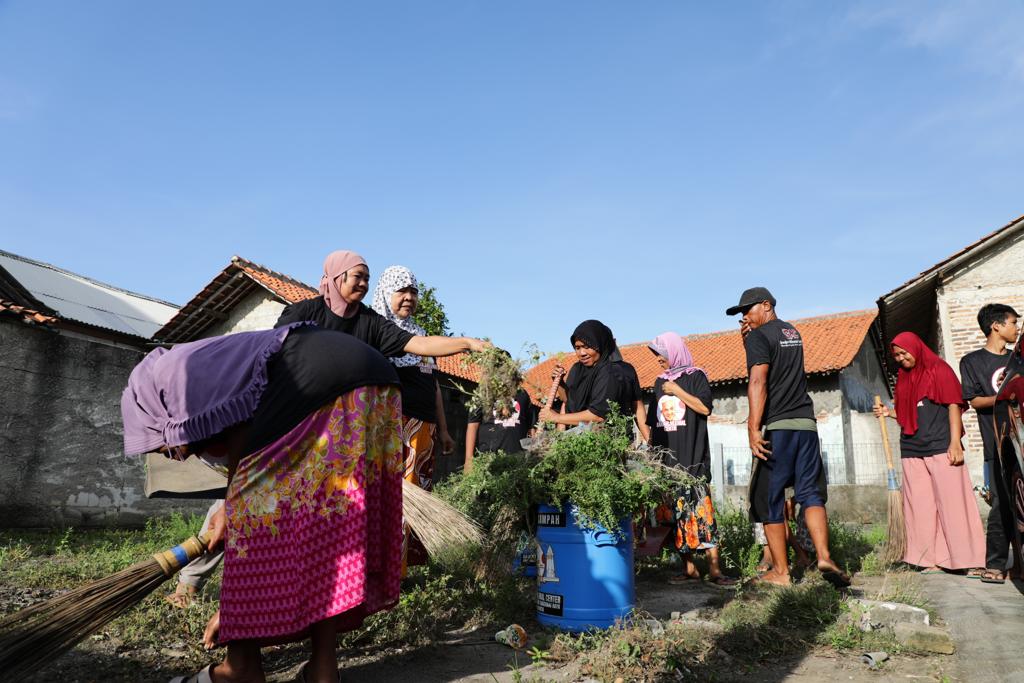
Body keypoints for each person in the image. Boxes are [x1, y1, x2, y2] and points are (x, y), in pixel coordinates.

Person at [123, 324, 403, 683]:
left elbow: (245, 458)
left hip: (320, 382)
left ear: (157, 412)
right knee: (327, 534)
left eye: (157, 444)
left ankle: (239, 669)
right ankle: (323, 670)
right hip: (376, 381)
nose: (168, 454)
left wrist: (237, 609)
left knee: (253, 522)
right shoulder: (200, 367)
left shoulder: (186, 382)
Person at [728, 287, 850, 587]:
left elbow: (759, 381)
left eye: (748, 310)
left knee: (768, 497)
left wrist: (753, 428)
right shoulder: (791, 332)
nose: (744, 316)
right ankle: (824, 556)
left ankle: (781, 572)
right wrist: (749, 341)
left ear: (766, 305)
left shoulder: (759, 336)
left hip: (779, 427)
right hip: (806, 425)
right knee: (810, 493)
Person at [874, 331, 986, 574]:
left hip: (941, 445)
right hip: (912, 449)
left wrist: (955, 442)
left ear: (916, 347)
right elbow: (908, 412)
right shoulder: (904, 377)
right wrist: (888, 412)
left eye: (904, 353)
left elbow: (954, 405)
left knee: (953, 504)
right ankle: (928, 559)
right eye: (897, 355)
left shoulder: (939, 370)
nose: (902, 358)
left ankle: (964, 559)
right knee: (920, 507)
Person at [275, 250, 489, 363]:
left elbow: (420, 345)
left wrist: (467, 343)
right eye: (358, 277)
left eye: (367, 279)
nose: (363, 284)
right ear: (336, 278)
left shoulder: (371, 321)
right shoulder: (304, 312)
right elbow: (275, 349)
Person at [646, 332, 735, 587]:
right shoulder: (658, 382)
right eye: (656, 355)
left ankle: (716, 571)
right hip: (667, 463)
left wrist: (676, 390)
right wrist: (653, 456)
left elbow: (705, 408)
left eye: (661, 353)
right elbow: (655, 423)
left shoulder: (696, 376)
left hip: (692, 459)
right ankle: (690, 569)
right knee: (674, 517)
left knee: (701, 514)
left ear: (673, 351)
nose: (659, 360)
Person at [370, 265, 456, 491]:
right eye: (402, 291)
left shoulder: (421, 335)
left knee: (419, 492)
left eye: (414, 292)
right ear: (386, 293)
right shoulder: (376, 333)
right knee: (395, 492)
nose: (409, 297)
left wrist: (443, 430)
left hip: (425, 428)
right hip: (395, 428)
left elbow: (433, 384)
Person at [960, 304, 1019, 584]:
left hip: (1021, 441)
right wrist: (1006, 395)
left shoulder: (1018, 360)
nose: (1016, 328)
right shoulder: (972, 362)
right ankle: (995, 564)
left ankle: (1019, 563)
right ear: (996, 326)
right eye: (1012, 323)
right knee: (1002, 504)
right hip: (995, 442)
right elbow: (974, 401)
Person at [538, 320, 630, 428]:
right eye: (577, 348)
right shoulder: (577, 369)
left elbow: (598, 416)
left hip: (603, 438)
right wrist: (559, 382)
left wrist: (556, 417)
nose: (582, 353)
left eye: (587, 347)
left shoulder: (609, 372)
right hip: (577, 435)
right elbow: (568, 401)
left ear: (599, 344)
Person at [465, 365, 537, 469]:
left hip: (518, 460)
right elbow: (472, 425)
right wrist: (468, 460)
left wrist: (532, 453)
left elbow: (531, 427)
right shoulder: (483, 393)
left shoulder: (522, 394)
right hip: (488, 460)